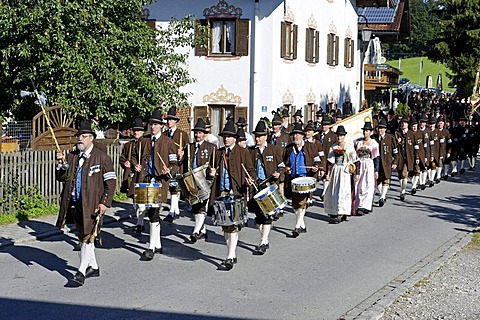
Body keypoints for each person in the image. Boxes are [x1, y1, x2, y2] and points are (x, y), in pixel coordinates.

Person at [55, 121, 117, 285]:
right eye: (78, 137)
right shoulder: (72, 156)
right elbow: (61, 177)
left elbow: (111, 183)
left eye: (83, 137)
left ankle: (81, 271)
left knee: (87, 237)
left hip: (93, 205)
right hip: (74, 204)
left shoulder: (102, 158)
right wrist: (61, 164)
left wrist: (104, 203)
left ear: (91, 138)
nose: (79, 139)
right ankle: (94, 267)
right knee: (84, 235)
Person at [131, 109, 178, 260]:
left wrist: (168, 169)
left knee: (153, 212)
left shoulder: (168, 142)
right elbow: (133, 156)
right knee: (144, 210)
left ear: (161, 126)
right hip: (145, 179)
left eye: (156, 124)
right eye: (151, 124)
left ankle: (151, 247)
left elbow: (174, 163)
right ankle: (157, 245)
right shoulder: (143, 141)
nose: (153, 127)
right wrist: (135, 165)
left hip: (158, 181)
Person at [208, 120, 255, 270]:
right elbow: (211, 171)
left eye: (229, 136)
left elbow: (251, 170)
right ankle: (232, 253)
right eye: (224, 136)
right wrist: (211, 173)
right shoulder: (219, 152)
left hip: (236, 193)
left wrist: (249, 180)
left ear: (235, 137)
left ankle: (229, 256)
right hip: (221, 192)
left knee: (234, 226)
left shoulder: (243, 152)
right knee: (225, 225)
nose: (226, 139)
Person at [178, 118, 216, 243]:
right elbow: (182, 163)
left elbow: (214, 164)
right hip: (190, 180)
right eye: (196, 132)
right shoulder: (189, 146)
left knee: (201, 206)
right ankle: (203, 230)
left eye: (200, 133)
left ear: (205, 134)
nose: (197, 135)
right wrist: (180, 157)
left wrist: (211, 175)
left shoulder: (211, 147)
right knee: (194, 206)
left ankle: (196, 231)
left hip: (204, 180)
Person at [247, 120, 283, 255]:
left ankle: (263, 241)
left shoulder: (274, 149)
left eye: (260, 136)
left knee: (267, 214)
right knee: (258, 218)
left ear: (266, 137)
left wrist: (278, 173)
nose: (257, 138)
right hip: (255, 186)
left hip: (268, 185)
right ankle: (264, 238)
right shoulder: (250, 151)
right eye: (256, 136)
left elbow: (281, 166)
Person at [284, 122, 320, 237]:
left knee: (302, 203)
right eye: (294, 135)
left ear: (302, 135)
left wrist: (316, 167)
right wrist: (287, 169)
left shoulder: (310, 146)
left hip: (305, 178)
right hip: (293, 179)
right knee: (295, 205)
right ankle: (302, 225)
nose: (295, 137)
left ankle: (297, 226)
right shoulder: (289, 148)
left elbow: (317, 159)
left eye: (298, 134)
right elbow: (284, 162)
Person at [119, 118, 148, 234]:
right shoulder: (128, 145)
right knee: (135, 201)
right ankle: (139, 220)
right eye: (135, 131)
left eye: (139, 131)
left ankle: (139, 223)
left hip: (142, 176)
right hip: (130, 176)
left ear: (143, 132)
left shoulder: (146, 143)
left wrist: (140, 165)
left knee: (140, 202)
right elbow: (122, 158)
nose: (136, 133)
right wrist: (124, 163)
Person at [324, 125, 357, 223]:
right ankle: (335, 211)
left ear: (344, 136)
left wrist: (356, 173)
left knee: (343, 191)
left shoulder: (349, 146)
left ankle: (342, 212)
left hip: (345, 170)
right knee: (334, 190)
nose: (339, 138)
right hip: (336, 169)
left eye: (341, 136)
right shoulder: (333, 146)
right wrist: (328, 173)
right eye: (338, 136)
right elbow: (329, 161)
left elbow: (355, 159)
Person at [163, 107, 190, 223]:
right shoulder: (164, 134)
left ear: (176, 121)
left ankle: (172, 212)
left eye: (171, 119)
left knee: (174, 188)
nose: (169, 122)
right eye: (168, 119)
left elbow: (189, 150)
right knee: (170, 187)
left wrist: (182, 153)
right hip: (166, 164)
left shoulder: (182, 134)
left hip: (177, 164)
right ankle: (176, 210)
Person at [354, 122, 380, 215]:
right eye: (364, 130)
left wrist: (376, 170)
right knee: (359, 184)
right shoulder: (358, 142)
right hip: (359, 163)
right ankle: (359, 204)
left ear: (370, 132)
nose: (365, 132)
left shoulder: (374, 143)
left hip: (369, 164)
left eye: (367, 131)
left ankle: (366, 205)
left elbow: (376, 157)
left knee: (368, 184)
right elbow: (354, 155)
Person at [374, 118, 398, 207]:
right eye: (379, 128)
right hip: (376, 163)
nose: (380, 130)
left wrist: (395, 161)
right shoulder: (374, 138)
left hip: (387, 162)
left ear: (385, 129)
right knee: (378, 181)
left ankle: (382, 197)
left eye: (382, 128)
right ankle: (382, 195)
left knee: (386, 179)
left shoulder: (390, 138)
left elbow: (395, 151)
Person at [395, 115, 416, 201]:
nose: (403, 125)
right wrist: (397, 142)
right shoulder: (397, 133)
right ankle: (402, 188)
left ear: (408, 124)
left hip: (409, 157)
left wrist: (417, 157)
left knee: (405, 173)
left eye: (405, 123)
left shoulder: (411, 134)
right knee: (400, 175)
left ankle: (403, 191)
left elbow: (416, 146)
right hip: (400, 157)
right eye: (402, 123)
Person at [318, 115, 336, 200]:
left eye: (326, 125)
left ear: (329, 126)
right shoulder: (318, 135)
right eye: (323, 125)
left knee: (327, 175)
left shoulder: (333, 136)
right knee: (322, 175)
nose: (324, 127)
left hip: (329, 157)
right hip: (320, 158)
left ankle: (324, 192)